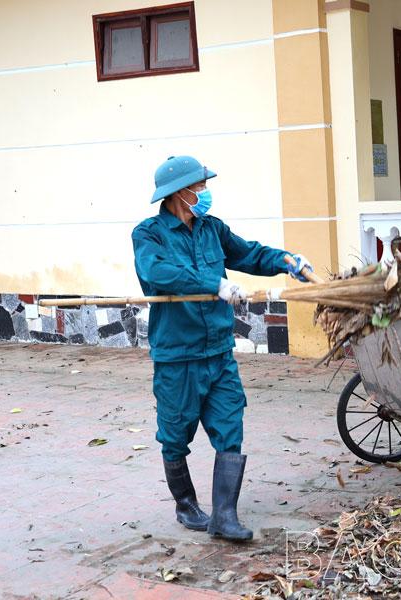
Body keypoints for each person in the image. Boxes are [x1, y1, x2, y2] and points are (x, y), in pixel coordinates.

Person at [132, 155, 313, 541]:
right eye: (199, 186)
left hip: (218, 352)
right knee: (175, 435)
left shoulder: (211, 229)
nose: (204, 192)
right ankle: (186, 506)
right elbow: (156, 273)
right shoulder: (148, 235)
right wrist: (212, 283)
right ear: (179, 193)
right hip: (178, 356)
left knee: (230, 427)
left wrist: (286, 260)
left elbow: (247, 253)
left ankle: (225, 516)